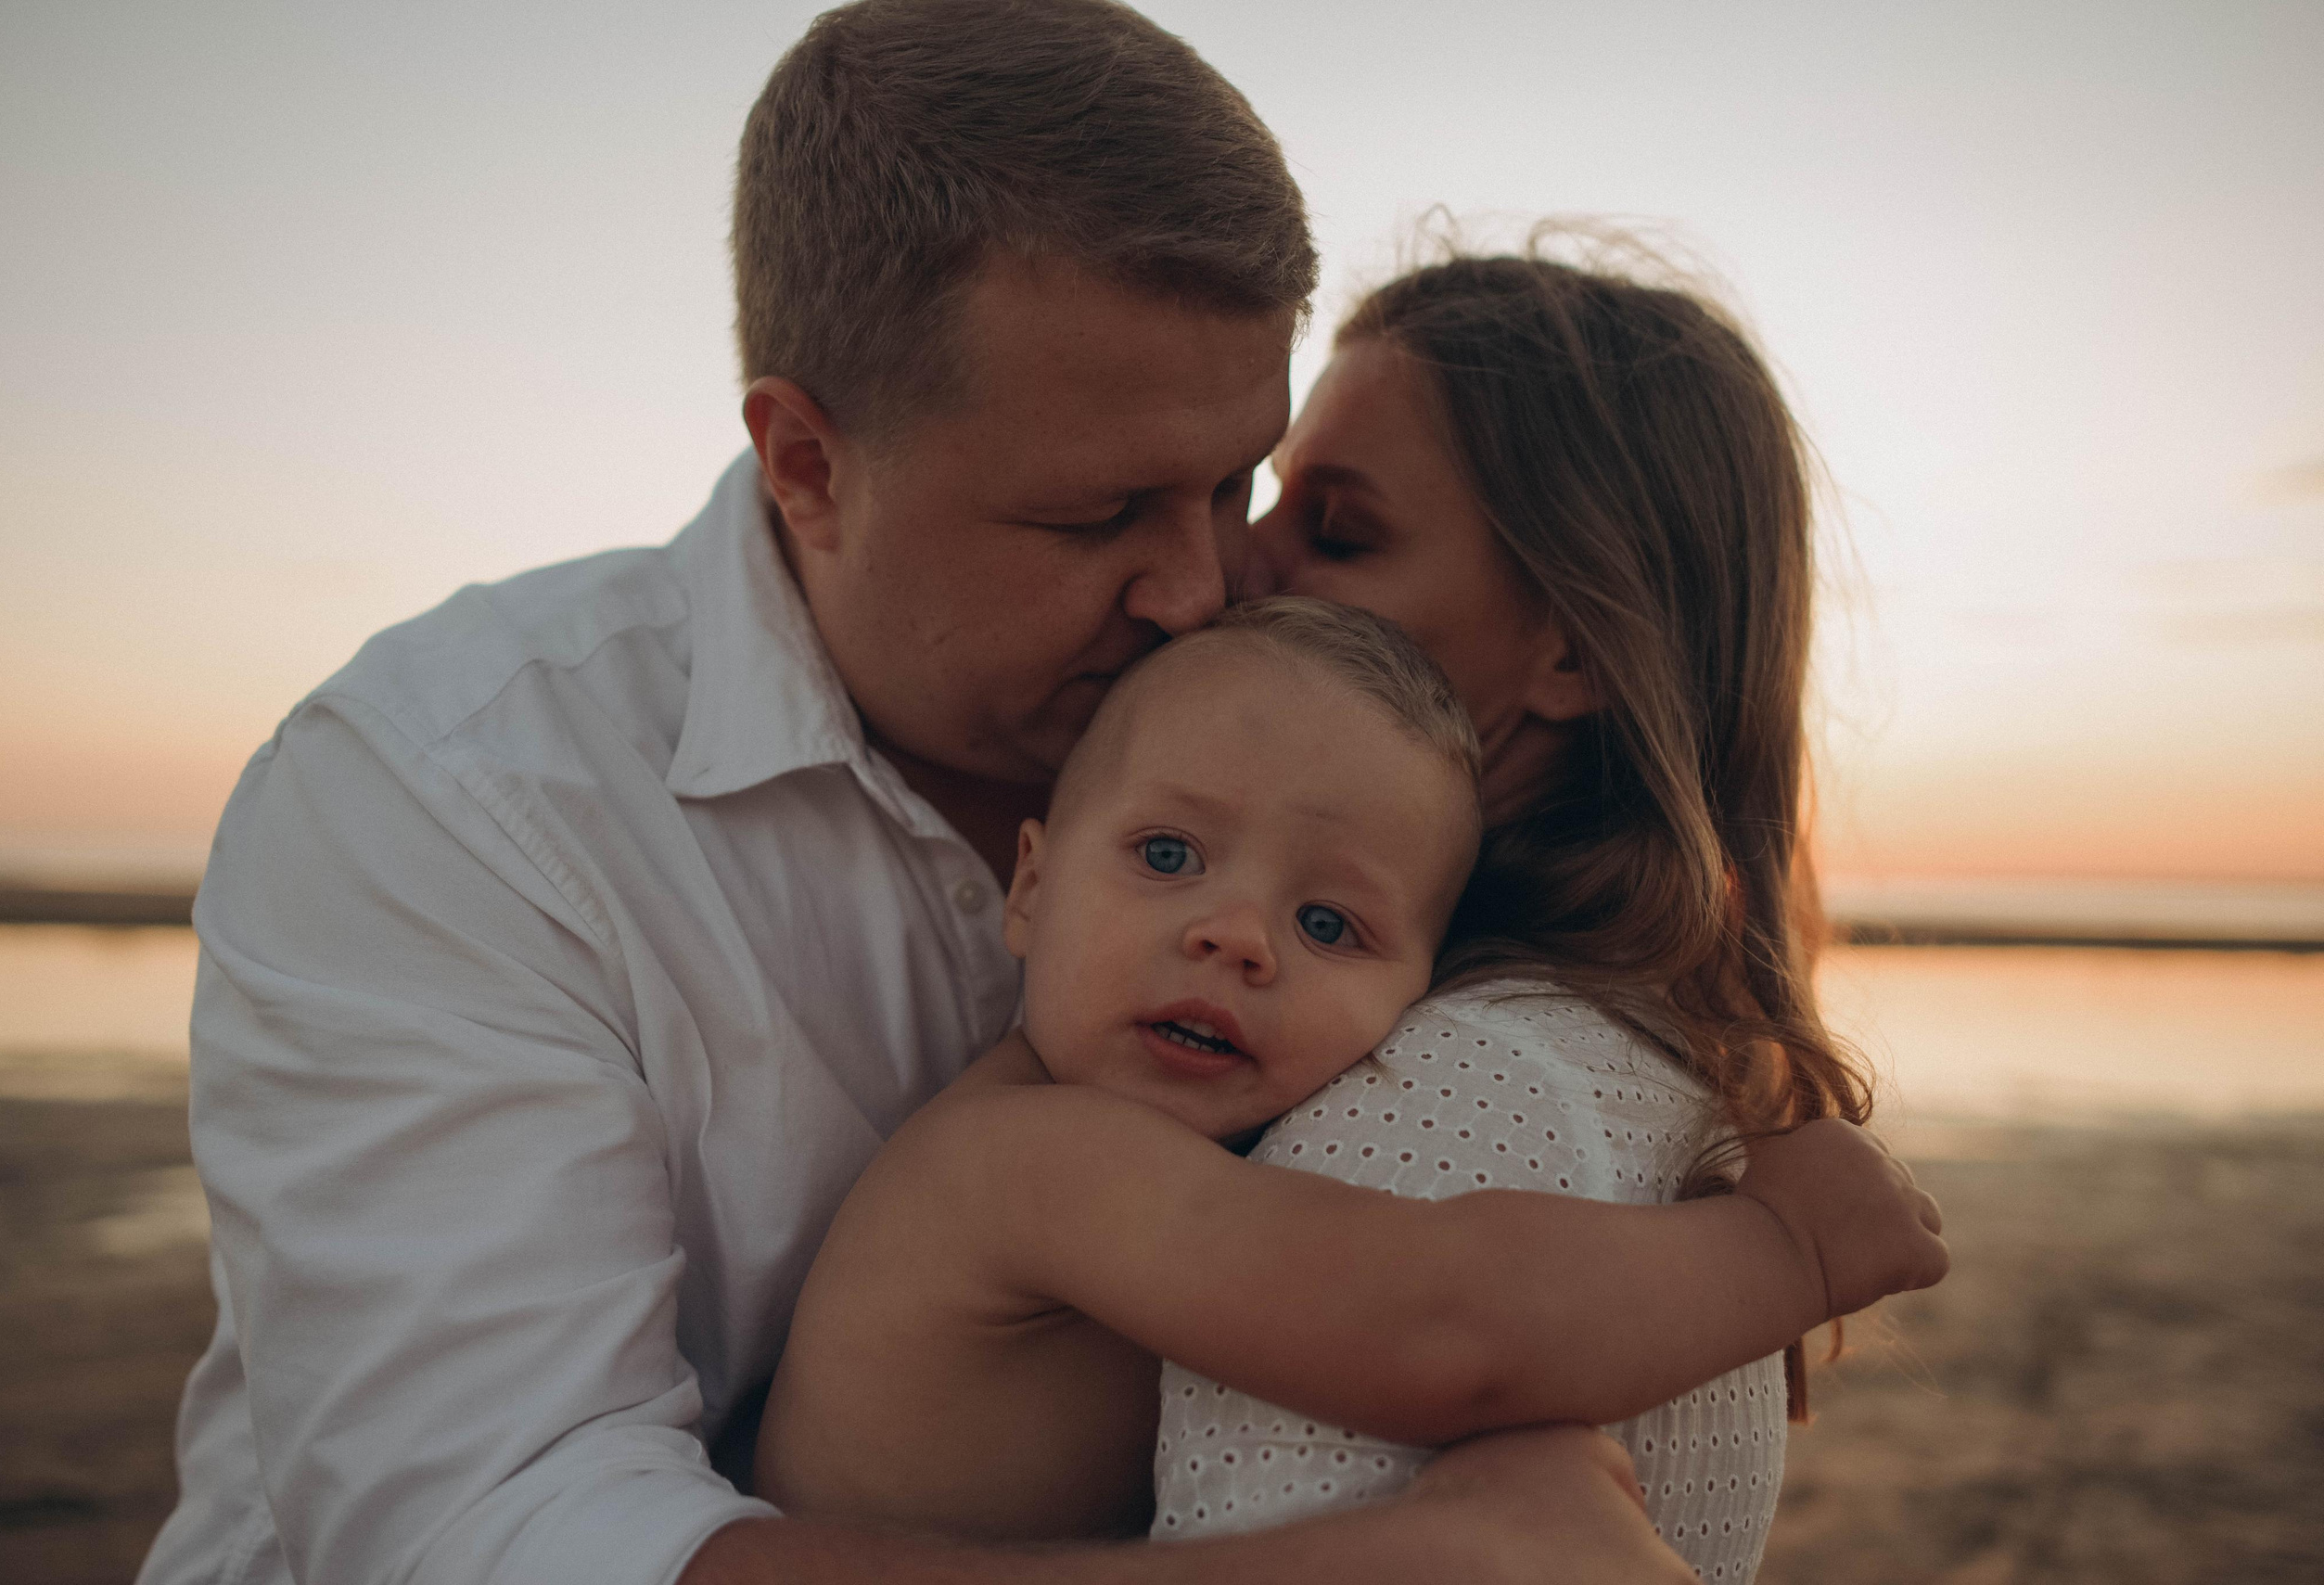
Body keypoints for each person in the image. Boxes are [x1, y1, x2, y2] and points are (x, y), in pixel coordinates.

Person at [140, 5, 1693, 1583]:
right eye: (1102, 513)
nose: (1203, 582)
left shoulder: (1311, 790)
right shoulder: (445, 798)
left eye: (1237, 483)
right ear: (805, 462)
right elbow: (502, 1532)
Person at [749, 598, 1947, 1542]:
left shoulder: (1167, 1150)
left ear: (1420, 990)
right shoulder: (1027, 1159)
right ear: (1030, 884)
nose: (1237, 935)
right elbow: (1444, 1324)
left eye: (1329, 925)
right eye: (1167, 853)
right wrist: (1787, 1253)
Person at [1153, 237, 1883, 1579]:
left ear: (1569, 651)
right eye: (1268, 502)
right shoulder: (1639, 1050)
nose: (1222, 568)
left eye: (1339, 529)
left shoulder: (1443, 1098)